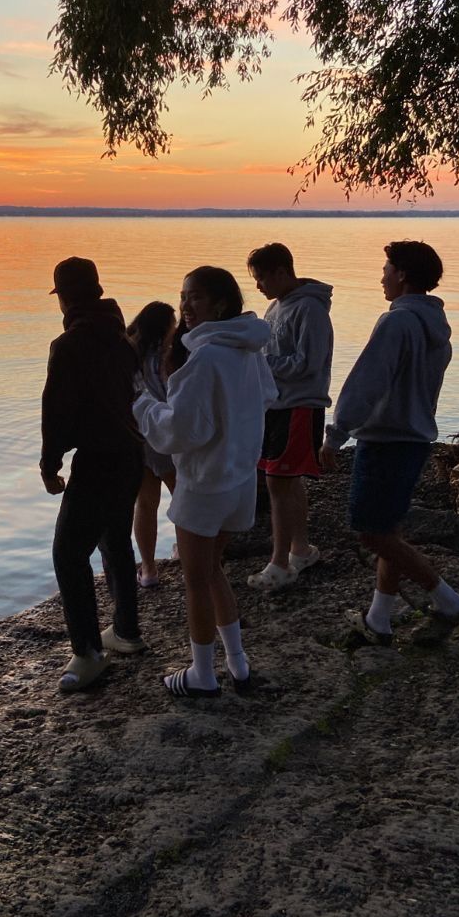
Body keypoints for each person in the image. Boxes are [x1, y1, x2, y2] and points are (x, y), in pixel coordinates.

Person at [319, 241, 459, 646]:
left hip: (387, 441)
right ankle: (379, 619)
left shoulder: (396, 323)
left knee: (372, 534)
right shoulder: (436, 329)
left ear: (402, 274)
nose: (381, 276)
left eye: (386, 268)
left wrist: (335, 436)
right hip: (417, 439)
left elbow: (367, 382)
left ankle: (449, 600)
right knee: (389, 529)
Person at [134, 266, 277, 697]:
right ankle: (238, 665)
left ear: (220, 302)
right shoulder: (249, 351)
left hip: (205, 483)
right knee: (213, 571)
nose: (185, 306)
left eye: (195, 297)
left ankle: (202, 674)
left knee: (196, 580)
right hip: (239, 481)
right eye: (183, 297)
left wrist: (141, 405)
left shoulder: (207, 358)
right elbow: (268, 398)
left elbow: (180, 430)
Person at [40, 257, 145, 692]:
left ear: (63, 298)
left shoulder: (69, 345)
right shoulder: (124, 337)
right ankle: (126, 631)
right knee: (115, 540)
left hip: (99, 459)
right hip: (131, 453)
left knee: (68, 553)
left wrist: (50, 464)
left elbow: (57, 412)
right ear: (98, 290)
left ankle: (87, 652)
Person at [246, 242, 333, 591]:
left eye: (262, 277)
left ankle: (279, 563)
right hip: (276, 406)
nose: (258, 285)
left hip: (299, 405)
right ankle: (300, 549)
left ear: (283, 272)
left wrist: (262, 365)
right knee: (287, 480)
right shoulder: (275, 307)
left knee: (278, 483)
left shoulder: (310, 310)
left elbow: (307, 364)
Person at [126, 301, 177, 588]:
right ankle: (186, 551)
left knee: (145, 503)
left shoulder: (128, 351)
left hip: (137, 434)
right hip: (163, 433)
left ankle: (148, 569)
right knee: (180, 496)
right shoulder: (167, 356)